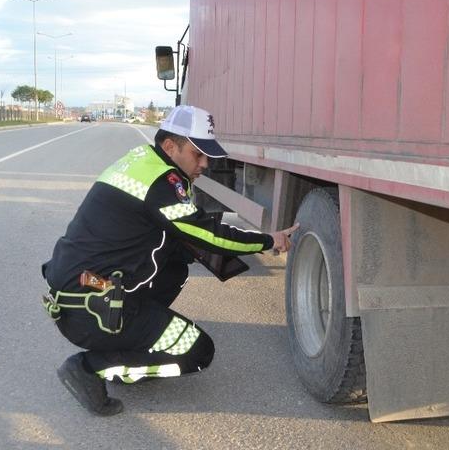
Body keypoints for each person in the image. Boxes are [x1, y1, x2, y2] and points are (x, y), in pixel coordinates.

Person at [42, 105, 299, 416]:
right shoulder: (161, 183)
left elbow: (174, 235)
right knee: (197, 351)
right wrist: (269, 240)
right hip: (91, 307)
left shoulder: (144, 161)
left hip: (79, 293)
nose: (204, 164)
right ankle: (90, 367)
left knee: (175, 266)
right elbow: (208, 233)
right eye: (197, 154)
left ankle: (126, 347)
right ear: (169, 146)